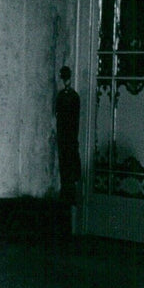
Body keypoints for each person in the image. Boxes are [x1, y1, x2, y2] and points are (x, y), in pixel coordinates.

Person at [56, 65, 81, 203]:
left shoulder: (72, 97)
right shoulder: (65, 96)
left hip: (68, 138)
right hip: (66, 138)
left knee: (68, 163)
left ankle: (69, 191)